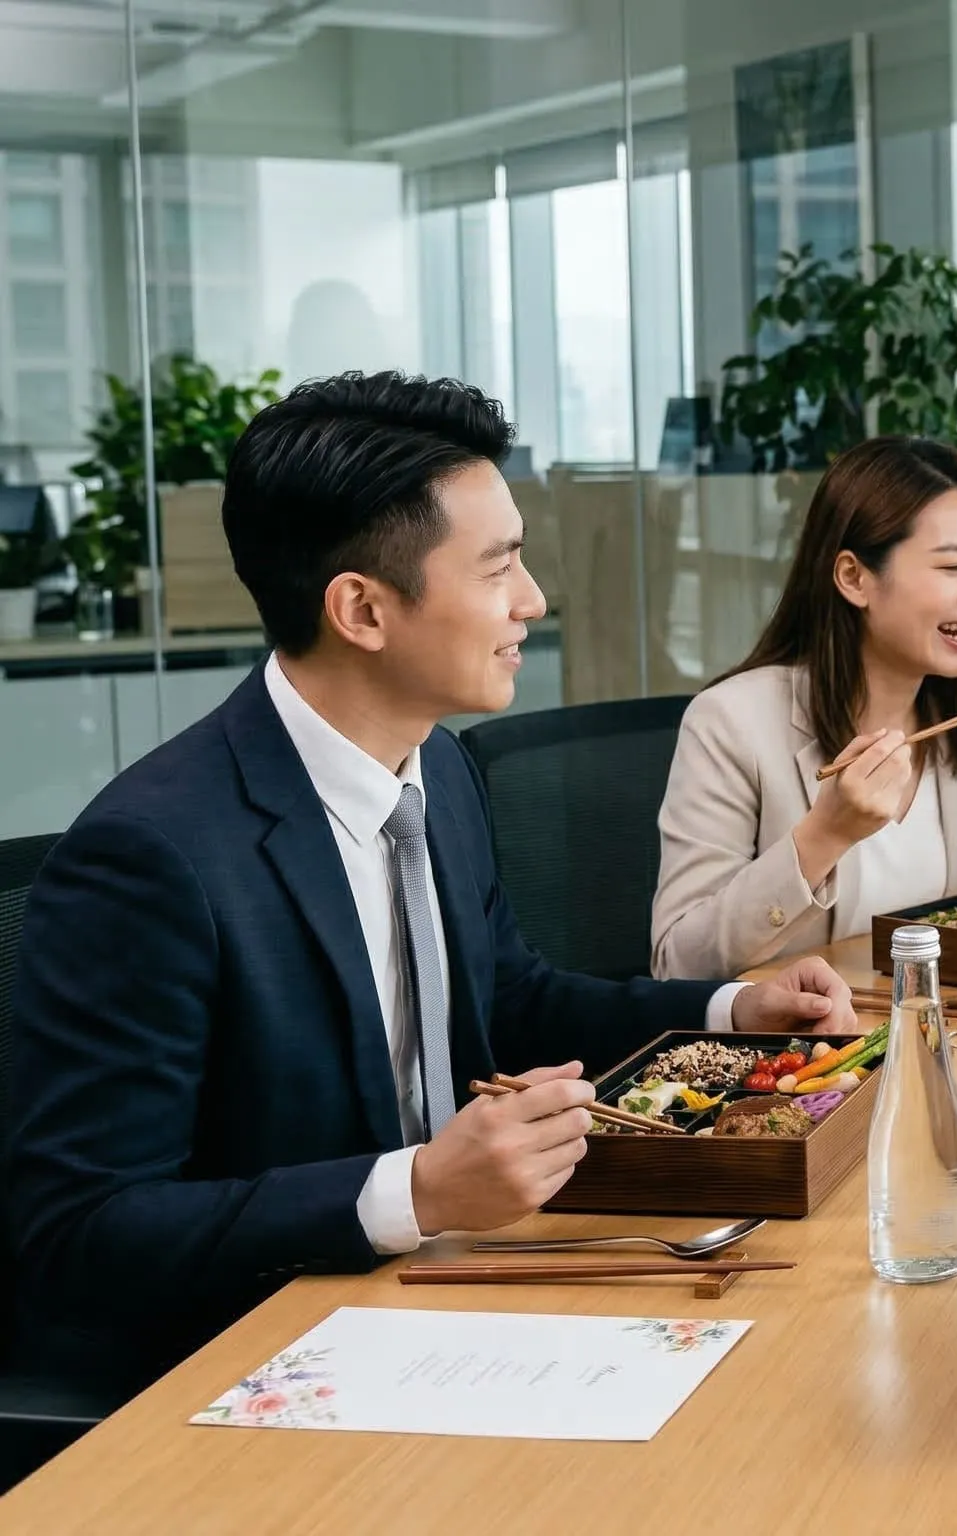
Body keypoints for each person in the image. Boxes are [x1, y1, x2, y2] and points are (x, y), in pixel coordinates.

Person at [1, 374, 853, 1400]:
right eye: (498, 569)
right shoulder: (152, 856)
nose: (532, 602)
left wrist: (728, 1008)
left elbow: (503, 1000)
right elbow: (80, 1230)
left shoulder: (435, 768)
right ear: (361, 607)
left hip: (449, 1298)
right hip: (256, 1361)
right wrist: (413, 1190)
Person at [652, 436, 957, 978]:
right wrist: (826, 835)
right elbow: (678, 963)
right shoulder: (730, 723)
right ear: (854, 577)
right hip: (811, 1053)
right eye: (951, 567)